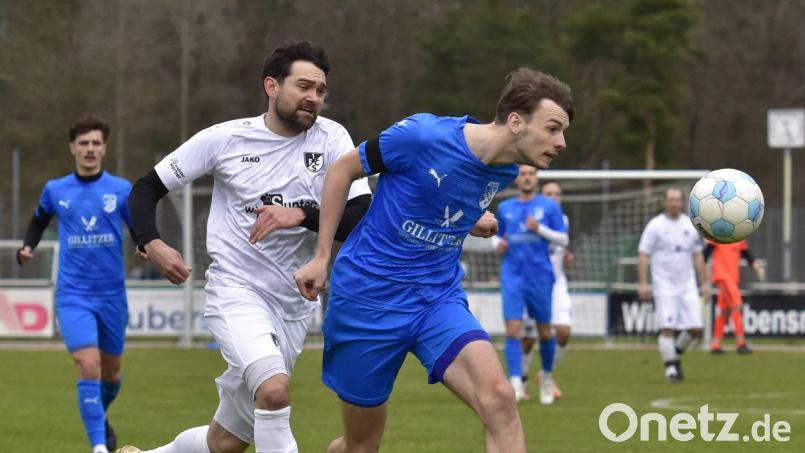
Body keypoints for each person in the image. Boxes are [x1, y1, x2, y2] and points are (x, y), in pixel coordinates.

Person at [294, 68, 573, 452]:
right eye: (553, 128)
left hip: (436, 299)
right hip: (367, 300)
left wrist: (471, 219)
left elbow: (440, 199)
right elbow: (343, 170)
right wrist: (322, 256)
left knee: (499, 399)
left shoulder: (505, 168)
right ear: (515, 122)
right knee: (360, 445)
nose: (561, 142)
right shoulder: (421, 136)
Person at [118, 41, 371, 453]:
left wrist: (300, 214)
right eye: (303, 86)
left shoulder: (332, 138)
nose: (314, 97)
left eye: (321, 90)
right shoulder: (225, 139)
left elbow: (361, 212)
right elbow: (146, 188)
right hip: (236, 292)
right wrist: (152, 242)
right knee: (273, 391)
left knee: (227, 441)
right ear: (271, 86)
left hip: (293, 306)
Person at [17, 115, 134, 453]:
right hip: (73, 295)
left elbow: (139, 226)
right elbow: (38, 220)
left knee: (111, 376)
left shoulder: (121, 189)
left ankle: (99, 416)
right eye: (83, 143)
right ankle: (98, 446)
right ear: (72, 148)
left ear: (104, 148)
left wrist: (144, 244)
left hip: (112, 295)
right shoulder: (56, 189)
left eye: (96, 143)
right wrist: (28, 246)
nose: (90, 149)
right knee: (88, 365)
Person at [493, 168, 567, 405]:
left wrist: (539, 229)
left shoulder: (549, 206)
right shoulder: (505, 208)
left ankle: (546, 376)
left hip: (541, 276)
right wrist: (498, 244)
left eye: (531, 174)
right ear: (516, 178)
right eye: (523, 173)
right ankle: (515, 382)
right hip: (513, 276)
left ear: (536, 179)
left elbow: (564, 239)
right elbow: (497, 236)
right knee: (513, 330)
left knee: (545, 332)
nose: (527, 177)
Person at [638, 187, 709, 383]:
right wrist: (643, 283)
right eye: (670, 199)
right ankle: (671, 369)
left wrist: (704, 284)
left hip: (687, 285)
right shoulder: (655, 226)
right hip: (664, 285)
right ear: (664, 202)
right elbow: (644, 254)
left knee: (695, 327)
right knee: (667, 327)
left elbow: (697, 256)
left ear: (682, 202)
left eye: (677, 200)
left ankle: (674, 354)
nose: (674, 203)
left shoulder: (690, 225)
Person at [519, 180, 573, 401]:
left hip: (557, 282)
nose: (553, 198)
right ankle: (521, 380)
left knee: (563, 331)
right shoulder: (529, 217)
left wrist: (567, 255)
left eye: (557, 194)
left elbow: (560, 245)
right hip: (532, 281)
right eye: (549, 194)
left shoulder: (564, 219)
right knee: (529, 337)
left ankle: (544, 374)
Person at [705, 240, 764, 354]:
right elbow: (705, 253)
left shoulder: (739, 235)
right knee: (737, 305)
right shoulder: (717, 232)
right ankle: (741, 343)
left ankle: (715, 345)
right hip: (723, 277)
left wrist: (755, 266)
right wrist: (703, 273)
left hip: (732, 278)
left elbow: (746, 254)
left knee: (724, 311)